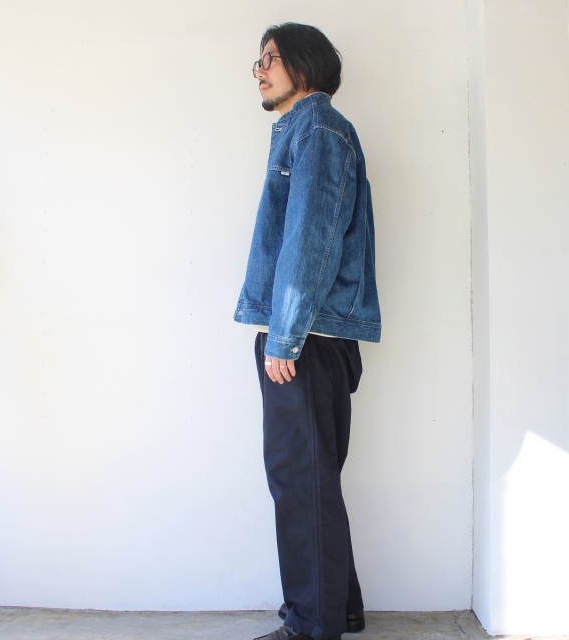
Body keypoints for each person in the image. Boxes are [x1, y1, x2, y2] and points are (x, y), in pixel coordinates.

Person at [233, 22, 382, 640]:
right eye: (258, 60)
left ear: (304, 63)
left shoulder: (317, 129)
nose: (259, 69)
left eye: (270, 58)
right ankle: (338, 608)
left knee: (300, 481)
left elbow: (310, 241)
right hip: (314, 336)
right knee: (313, 479)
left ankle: (311, 626)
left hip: (305, 338)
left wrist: (283, 337)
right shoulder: (313, 131)